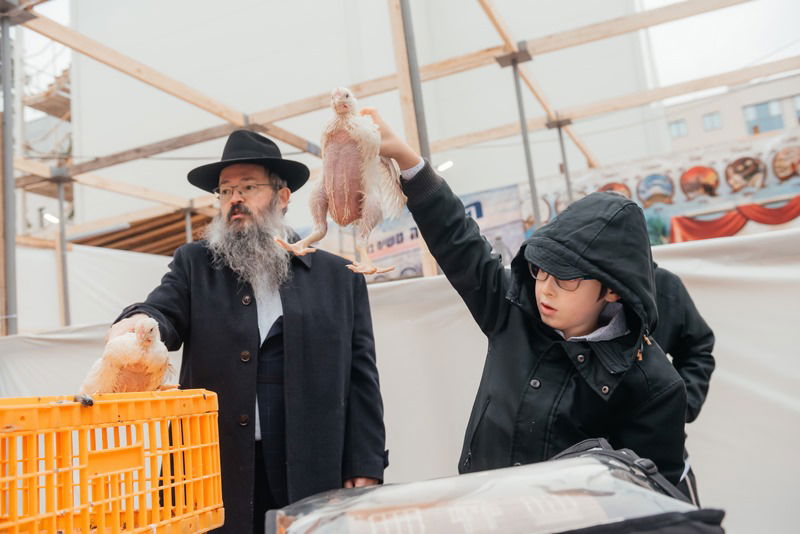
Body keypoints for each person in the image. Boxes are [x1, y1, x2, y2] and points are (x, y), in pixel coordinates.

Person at [364, 108, 688, 488]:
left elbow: (650, 502)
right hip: (482, 508)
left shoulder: (654, 384)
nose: (545, 289)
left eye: (565, 279)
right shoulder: (513, 309)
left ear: (612, 288)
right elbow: (458, 241)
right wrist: (407, 159)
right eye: (540, 270)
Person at [109, 130, 388, 533]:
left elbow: (362, 376)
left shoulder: (338, 278)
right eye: (224, 191)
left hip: (312, 469)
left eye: (248, 187)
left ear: (283, 196)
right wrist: (140, 322)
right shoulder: (195, 265)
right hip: (213, 470)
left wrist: (365, 461)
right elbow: (161, 310)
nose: (233, 200)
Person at [652, 263, 716, 504]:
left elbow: (697, 348)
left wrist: (680, 405)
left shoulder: (664, 285)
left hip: (661, 460)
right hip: (576, 463)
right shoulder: (549, 287)